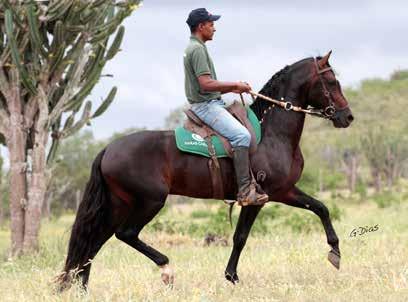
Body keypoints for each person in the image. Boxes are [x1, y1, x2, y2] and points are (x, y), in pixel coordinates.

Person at [183, 8, 268, 206]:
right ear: (201, 26)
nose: (214, 28)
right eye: (211, 24)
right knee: (242, 136)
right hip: (205, 106)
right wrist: (234, 86)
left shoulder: (197, 47)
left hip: (210, 102)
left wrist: (232, 87)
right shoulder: (196, 50)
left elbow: (204, 86)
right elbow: (205, 84)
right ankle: (246, 191)